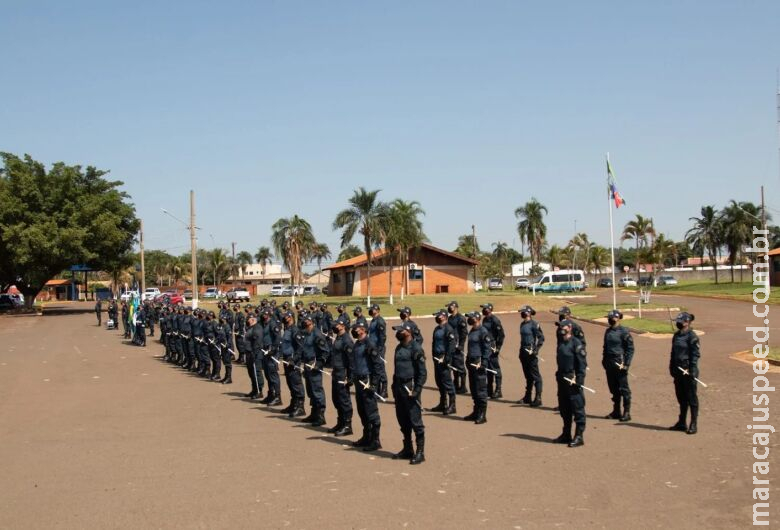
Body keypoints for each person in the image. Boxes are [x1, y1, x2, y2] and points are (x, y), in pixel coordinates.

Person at [390, 322, 427, 464]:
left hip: (410, 387)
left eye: (401, 331)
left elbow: (422, 373)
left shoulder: (416, 349)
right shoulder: (398, 347)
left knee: (415, 421)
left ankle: (420, 452)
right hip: (399, 387)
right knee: (403, 420)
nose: (398, 333)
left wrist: (417, 390)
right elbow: (396, 369)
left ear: (409, 332)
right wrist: (394, 386)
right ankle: (407, 448)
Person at [349, 321, 383, 451]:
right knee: (362, 411)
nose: (354, 331)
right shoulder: (357, 344)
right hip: (359, 380)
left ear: (363, 329)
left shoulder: (370, 345)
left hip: (367, 381)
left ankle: (375, 440)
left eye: (356, 329)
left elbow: (377, 366)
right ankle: (366, 436)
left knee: (371, 411)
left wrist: (374, 384)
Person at [555, 319, 588, 447]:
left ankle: (579, 436)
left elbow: (582, 365)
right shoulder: (561, 343)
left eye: (563, 326)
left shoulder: (576, 344)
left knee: (577, 408)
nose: (560, 328)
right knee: (564, 408)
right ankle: (566, 434)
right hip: (562, 379)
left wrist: (579, 380)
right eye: (559, 326)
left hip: (572, 380)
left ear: (569, 327)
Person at [295, 313, 330, 426]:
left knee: (317, 390)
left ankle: (320, 415)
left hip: (314, 365)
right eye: (304, 320)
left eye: (307, 320)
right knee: (310, 390)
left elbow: (325, 351)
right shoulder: (305, 333)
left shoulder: (317, 334)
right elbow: (302, 348)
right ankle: (314, 413)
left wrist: (319, 363)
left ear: (312, 321)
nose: (305, 322)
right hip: (307, 364)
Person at [669, 312, 700, 435]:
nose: (678, 323)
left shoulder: (692, 337)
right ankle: (682, 422)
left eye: (680, 321)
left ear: (687, 322)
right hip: (678, 370)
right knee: (681, 397)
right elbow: (673, 352)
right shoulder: (676, 335)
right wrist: (671, 366)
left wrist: (692, 369)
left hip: (688, 371)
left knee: (691, 398)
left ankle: (693, 423)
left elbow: (695, 355)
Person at [602, 309, 634, 422]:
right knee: (613, 388)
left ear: (618, 318)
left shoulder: (624, 332)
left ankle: (626, 412)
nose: (610, 320)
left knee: (624, 388)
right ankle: (616, 411)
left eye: (612, 318)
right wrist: (604, 360)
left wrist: (627, 364)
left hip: (619, 362)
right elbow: (605, 347)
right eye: (609, 318)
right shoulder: (608, 331)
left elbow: (630, 349)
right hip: (609, 362)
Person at [464, 311, 492, 424]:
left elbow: (487, 348)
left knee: (480, 389)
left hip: (478, 362)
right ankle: (476, 411)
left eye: (471, 317)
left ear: (477, 318)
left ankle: (482, 414)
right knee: (473, 388)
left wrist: (484, 362)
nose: (469, 319)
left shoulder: (483, 331)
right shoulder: (473, 330)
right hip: (471, 361)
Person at [328, 320, 354, 436]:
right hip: (336, 372)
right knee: (336, 399)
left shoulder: (346, 340)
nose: (334, 326)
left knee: (344, 400)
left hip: (343, 373)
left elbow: (351, 360)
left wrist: (350, 377)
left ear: (343, 326)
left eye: (337, 325)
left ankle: (347, 425)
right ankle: (341, 422)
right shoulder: (338, 338)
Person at [429, 309, 457, 415]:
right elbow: (434, 343)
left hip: (444, 358)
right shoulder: (437, 328)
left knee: (447, 382)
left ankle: (452, 405)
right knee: (439, 382)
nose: (437, 317)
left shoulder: (448, 329)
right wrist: (433, 356)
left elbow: (451, 345)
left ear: (444, 316)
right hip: (437, 358)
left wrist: (447, 358)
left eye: (438, 316)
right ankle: (443, 403)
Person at [279, 311, 306, 417]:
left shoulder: (295, 330)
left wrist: (294, 360)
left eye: (286, 317)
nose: (284, 319)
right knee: (290, 383)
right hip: (287, 359)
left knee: (296, 384)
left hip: (293, 361)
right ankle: (294, 404)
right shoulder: (287, 329)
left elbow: (300, 347)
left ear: (290, 317)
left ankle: (300, 407)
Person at [519, 305, 544, 406]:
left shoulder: (534, 324)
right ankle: (527, 396)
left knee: (535, 375)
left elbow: (541, 338)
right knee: (527, 375)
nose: (522, 314)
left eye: (524, 312)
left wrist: (536, 349)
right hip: (523, 352)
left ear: (529, 313)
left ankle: (538, 398)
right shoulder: (522, 324)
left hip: (531, 352)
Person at [480, 303, 505, 399]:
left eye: (485, 308)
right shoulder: (485, 319)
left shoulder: (495, 320)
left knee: (495, 368)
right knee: (488, 369)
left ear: (489, 309)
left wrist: (498, 348)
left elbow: (501, 335)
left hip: (492, 346)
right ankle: (489, 390)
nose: (483, 310)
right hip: (486, 346)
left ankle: (498, 390)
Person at [259, 310, 283, 406]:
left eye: (265, 314)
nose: (264, 315)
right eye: (263, 314)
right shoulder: (263, 324)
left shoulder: (273, 324)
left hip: (272, 352)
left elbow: (277, 338)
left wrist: (273, 350)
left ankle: (277, 397)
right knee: (267, 374)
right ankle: (271, 394)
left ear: (269, 314)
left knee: (273, 374)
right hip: (265, 351)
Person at [447, 301, 469, 394]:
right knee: (453, 366)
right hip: (451, 345)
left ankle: (463, 386)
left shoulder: (461, 318)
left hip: (458, 346)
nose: (449, 308)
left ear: (455, 307)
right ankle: (456, 384)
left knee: (460, 366)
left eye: (450, 306)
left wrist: (461, 345)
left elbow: (464, 333)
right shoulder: (449, 318)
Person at [367, 303, 388, 399]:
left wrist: (379, 350)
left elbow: (382, 337)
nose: (371, 311)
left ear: (377, 310)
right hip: (372, 348)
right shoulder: (373, 320)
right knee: (374, 368)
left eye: (373, 309)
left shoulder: (380, 321)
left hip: (378, 348)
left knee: (380, 368)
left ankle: (384, 390)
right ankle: (377, 390)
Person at [244, 313, 265, 400]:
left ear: (253, 319)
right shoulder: (251, 328)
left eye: (248, 319)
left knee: (256, 372)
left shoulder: (257, 328)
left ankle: (259, 391)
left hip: (255, 354)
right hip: (249, 352)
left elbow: (258, 343)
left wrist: (254, 353)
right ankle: (254, 389)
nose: (247, 320)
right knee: (251, 372)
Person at [217, 314, 233, 384]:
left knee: (228, 362)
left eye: (221, 318)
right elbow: (219, 336)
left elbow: (229, 338)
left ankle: (229, 378)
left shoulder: (227, 327)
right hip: (222, 346)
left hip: (226, 347)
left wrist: (228, 345)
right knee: (225, 361)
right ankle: (226, 376)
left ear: (224, 319)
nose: (220, 319)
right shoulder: (221, 326)